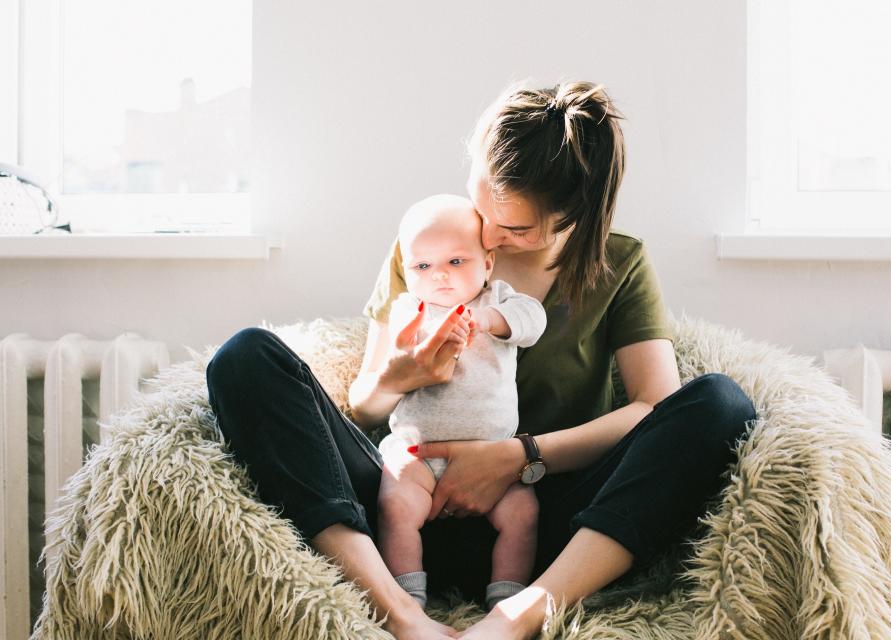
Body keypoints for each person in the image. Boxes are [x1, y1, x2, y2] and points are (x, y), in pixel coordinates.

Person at [205, 80, 757, 640]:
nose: (487, 235)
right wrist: (399, 377)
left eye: (515, 228)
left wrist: (518, 458)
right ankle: (396, 610)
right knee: (245, 358)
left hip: (541, 524)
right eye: (482, 202)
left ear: (573, 216)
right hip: (402, 505)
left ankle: (519, 616)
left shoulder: (620, 264)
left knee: (721, 404)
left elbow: (652, 407)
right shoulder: (432, 243)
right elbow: (364, 411)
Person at [377, 194, 546, 613]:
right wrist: (415, 334)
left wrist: (489, 321)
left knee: (523, 515)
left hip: (495, 457)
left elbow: (533, 320)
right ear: (406, 270)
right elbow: (396, 344)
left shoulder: (497, 301)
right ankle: (407, 598)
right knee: (394, 506)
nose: (439, 277)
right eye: (423, 266)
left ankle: (505, 600)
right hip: (419, 454)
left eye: (456, 262)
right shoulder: (410, 308)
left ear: (487, 263)